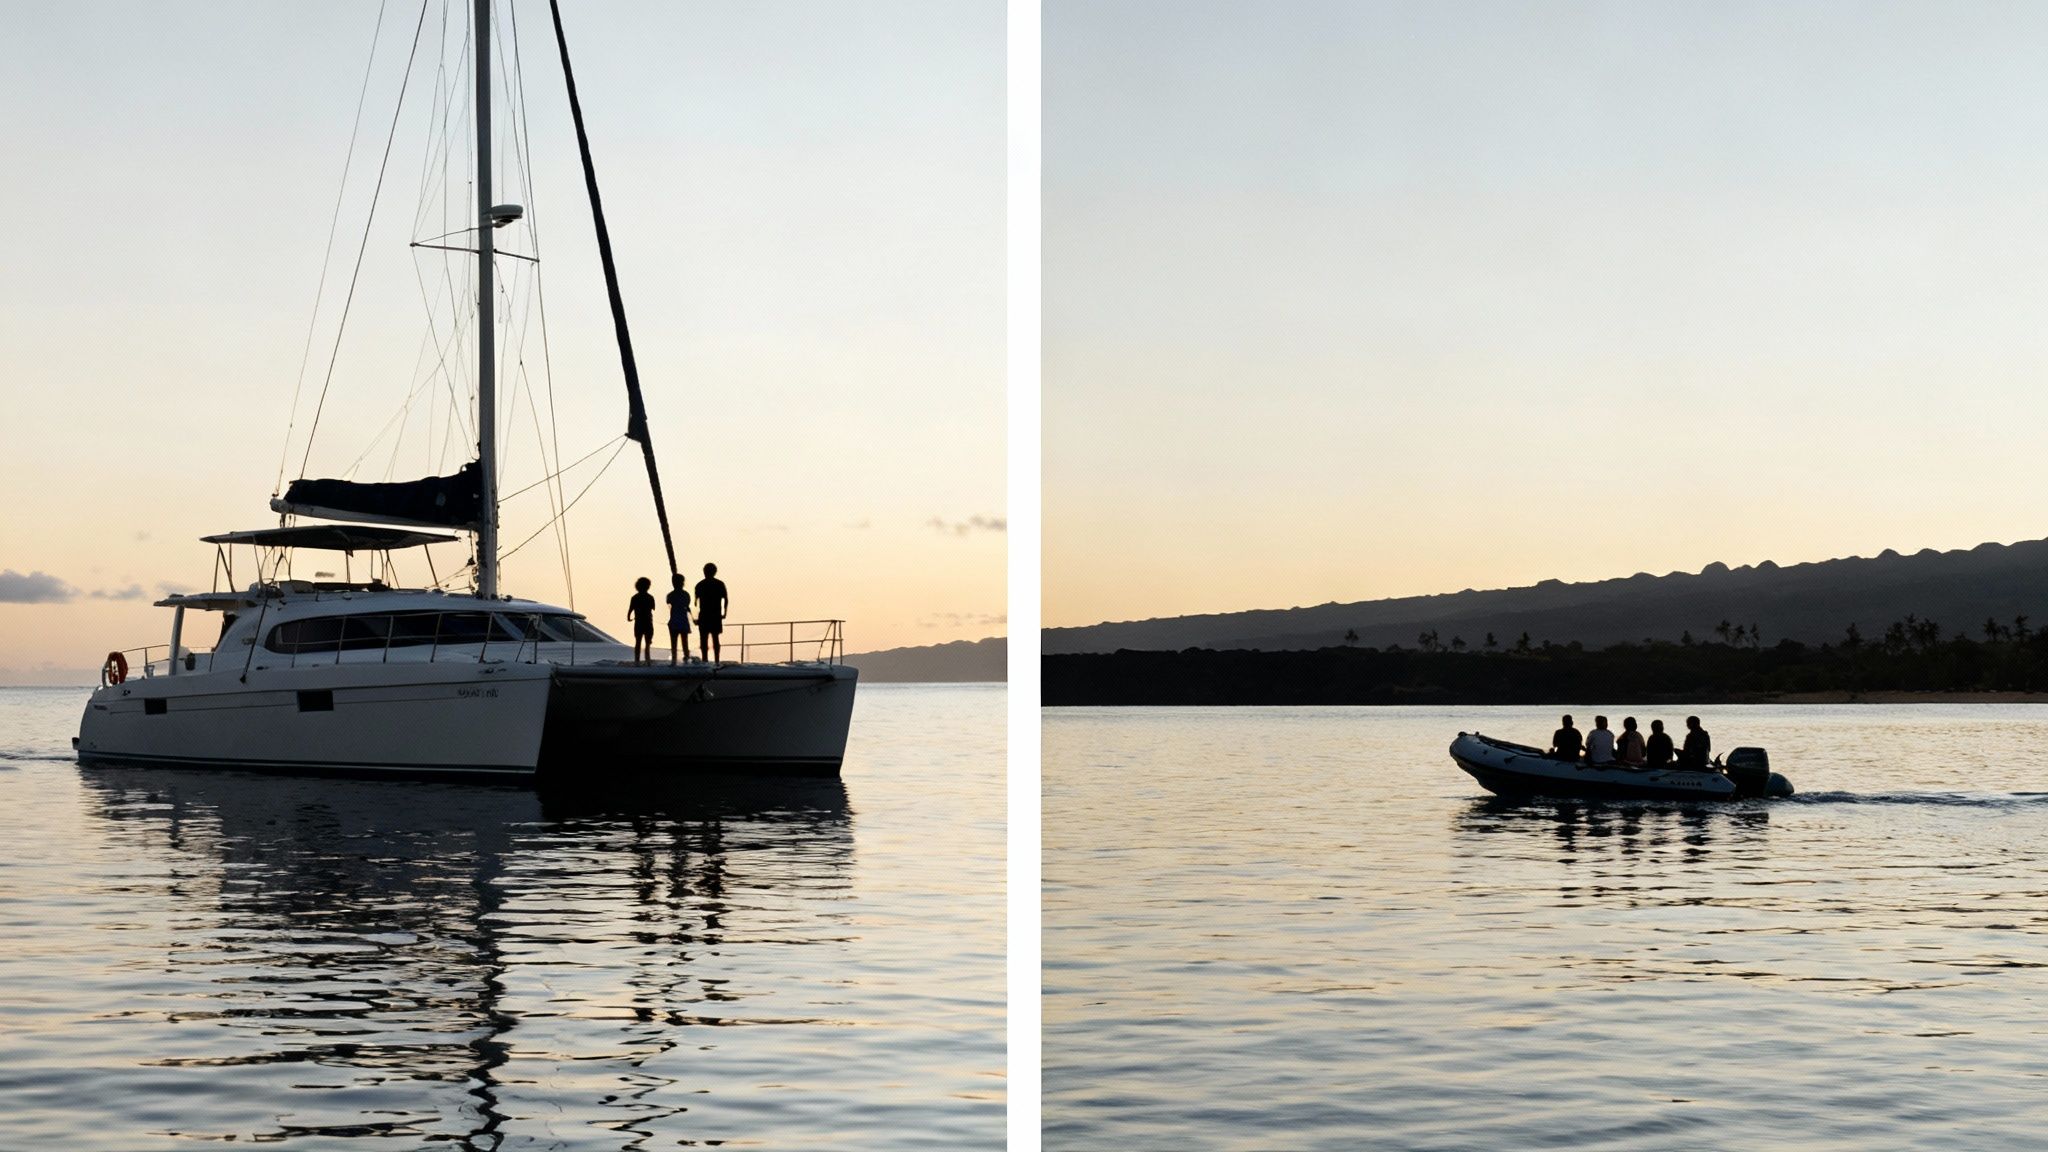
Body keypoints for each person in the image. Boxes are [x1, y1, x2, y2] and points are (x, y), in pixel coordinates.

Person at [695, 561, 728, 663]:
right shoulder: (719, 584)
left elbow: (695, 603)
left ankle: (705, 659)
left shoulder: (700, 585)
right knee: (715, 638)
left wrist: (696, 618)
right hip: (715, 614)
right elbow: (726, 599)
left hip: (704, 615)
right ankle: (717, 660)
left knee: (703, 639)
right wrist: (724, 613)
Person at [627, 576, 657, 665]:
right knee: (647, 643)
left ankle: (637, 661)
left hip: (638, 622)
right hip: (648, 622)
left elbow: (630, 609)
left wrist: (628, 617)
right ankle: (648, 660)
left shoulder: (634, 597)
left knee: (638, 642)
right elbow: (653, 608)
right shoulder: (650, 597)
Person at [665, 573, 692, 666]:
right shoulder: (686, 595)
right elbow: (687, 605)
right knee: (684, 640)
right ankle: (686, 657)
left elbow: (669, 603)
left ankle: (674, 658)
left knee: (674, 641)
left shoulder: (670, 595)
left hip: (674, 620)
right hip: (683, 620)